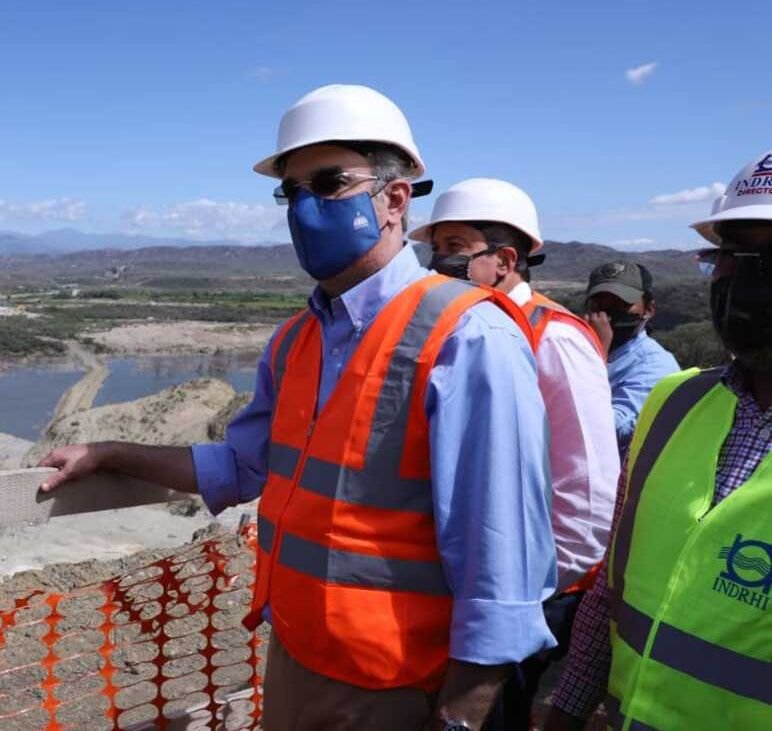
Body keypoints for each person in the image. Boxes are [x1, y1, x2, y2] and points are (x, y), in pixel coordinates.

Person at [38, 84, 557, 730]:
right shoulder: (296, 341)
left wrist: (458, 719)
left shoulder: (468, 338)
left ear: (395, 199)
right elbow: (239, 466)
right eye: (292, 190)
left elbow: (502, 569)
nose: (306, 207)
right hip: (294, 662)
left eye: (330, 183)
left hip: (398, 689)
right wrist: (111, 452)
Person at [547, 150, 772, 729]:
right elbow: (612, 586)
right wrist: (567, 709)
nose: (742, 280)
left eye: (767, 258)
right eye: (729, 255)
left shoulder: (651, 374)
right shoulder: (674, 403)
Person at [410, 178, 620, 730]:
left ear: (505, 261)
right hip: (477, 596)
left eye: (455, 247)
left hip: (536, 602)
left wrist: (527, 594)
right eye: (436, 248)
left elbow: (588, 503)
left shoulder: (555, 339)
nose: (438, 261)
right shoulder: (461, 328)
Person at [583, 261, 679, 456]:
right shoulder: (576, 346)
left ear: (648, 309)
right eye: (599, 305)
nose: (606, 316)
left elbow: (613, 428)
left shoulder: (654, 364)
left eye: (621, 305)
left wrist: (596, 356)